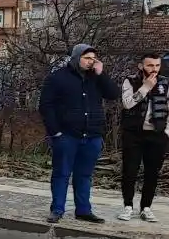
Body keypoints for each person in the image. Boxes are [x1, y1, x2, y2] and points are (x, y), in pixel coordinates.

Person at [38, 43, 121, 224]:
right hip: (67, 135)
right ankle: (57, 209)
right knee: (61, 173)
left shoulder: (96, 78)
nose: (91, 62)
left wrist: (102, 74)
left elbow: (113, 94)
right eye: (87, 58)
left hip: (92, 135)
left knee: (84, 175)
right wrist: (55, 132)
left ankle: (83, 210)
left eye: (93, 58)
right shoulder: (58, 77)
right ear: (76, 58)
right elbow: (46, 106)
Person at [118, 53, 169, 222]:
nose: (154, 69)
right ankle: (128, 206)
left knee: (152, 173)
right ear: (141, 66)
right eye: (150, 65)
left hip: (156, 135)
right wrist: (145, 87)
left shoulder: (167, 83)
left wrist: (167, 132)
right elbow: (127, 103)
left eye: (157, 66)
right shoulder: (130, 81)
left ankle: (146, 207)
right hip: (133, 134)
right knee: (130, 171)